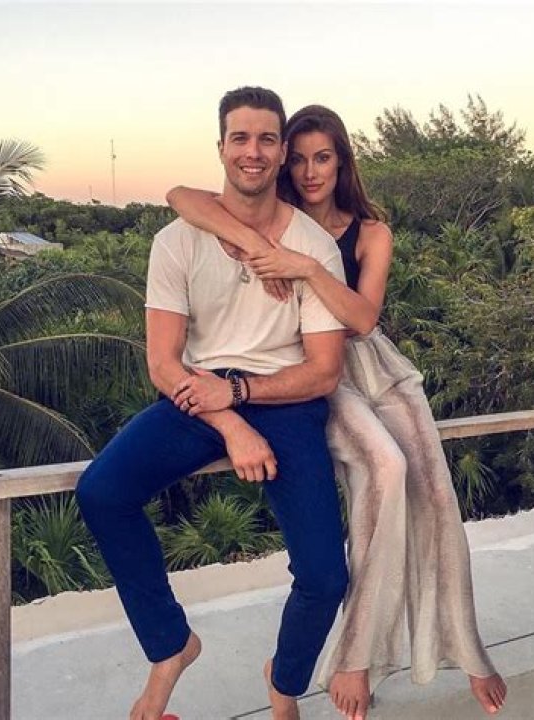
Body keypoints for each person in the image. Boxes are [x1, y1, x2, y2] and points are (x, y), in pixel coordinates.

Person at [167, 104, 508, 720]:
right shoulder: (275, 221)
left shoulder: (368, 233)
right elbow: (178, 196)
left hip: (374, 363)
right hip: (314, 371)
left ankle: (468, 647)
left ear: (342, 161)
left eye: (322, 157)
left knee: (435, 491)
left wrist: (303, 267)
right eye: (298, 159)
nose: (309, 171)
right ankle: (356, 654)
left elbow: (363, 318)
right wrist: (258, 243)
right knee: (385, 467)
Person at [76, 88, 351, 720]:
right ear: (221, 147)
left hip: (286, 398)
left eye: (266, 139)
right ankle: (170, 645)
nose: (253, 152)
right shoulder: (177, 241)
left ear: (281, 151)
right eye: (240, 138)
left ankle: (284, 680)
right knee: (103, 492)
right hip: (200, 395)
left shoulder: (311, 247)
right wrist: (229, 420)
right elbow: (163, 363)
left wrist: (244, 394)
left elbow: (324, 371)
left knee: (325, 577)